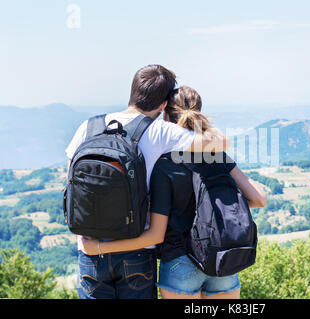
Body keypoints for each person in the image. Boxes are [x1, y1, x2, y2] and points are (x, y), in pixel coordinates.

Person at [80, 86, 267, 299]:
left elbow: (156, 234)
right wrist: (215, 210)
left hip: (180, 262)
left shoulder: (165, 165)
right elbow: (259, 199)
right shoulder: (218, 156)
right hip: (222, 259)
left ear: (165, 114)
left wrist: (99, 248)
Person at [65, 65, 230, 299]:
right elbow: (222, 144)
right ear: (163, 105)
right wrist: (196, 119)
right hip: (137, 250)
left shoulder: (88, 126)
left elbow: (70, 185)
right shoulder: (162, 131)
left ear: (132, 92)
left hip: (89, 249)